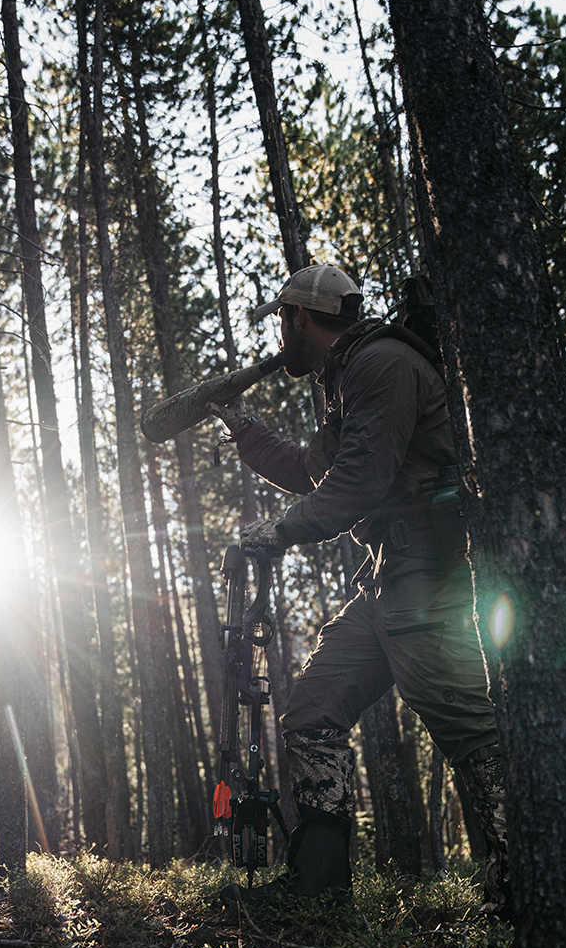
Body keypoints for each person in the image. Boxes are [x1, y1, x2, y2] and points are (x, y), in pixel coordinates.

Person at [216, 263, 509, 912]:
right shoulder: (348, 377)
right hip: (385, 585)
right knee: (312, 716)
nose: (281, 338)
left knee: (470, 736)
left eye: (283, 322)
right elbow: (310, 471)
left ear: (298, 318)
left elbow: (356, 488)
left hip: (428, 581)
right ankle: (320, 896)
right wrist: (242, 426)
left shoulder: (381, 365)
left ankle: (525, 887)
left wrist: (278, 531)